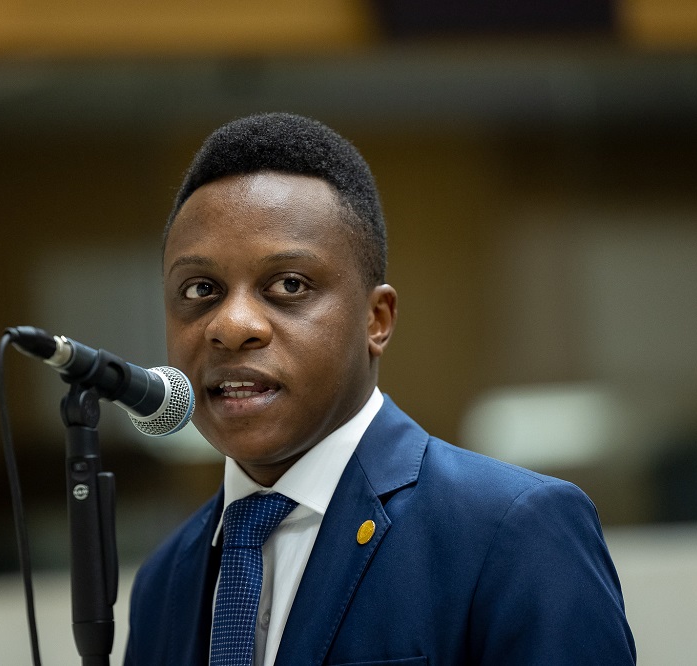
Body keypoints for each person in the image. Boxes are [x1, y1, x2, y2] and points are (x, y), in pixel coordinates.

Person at [124, 112, 636, 665]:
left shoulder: (513, 531)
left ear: (377, 320)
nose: (232, 325)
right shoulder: (164, 581)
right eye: (200, 289)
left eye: (289, 284)